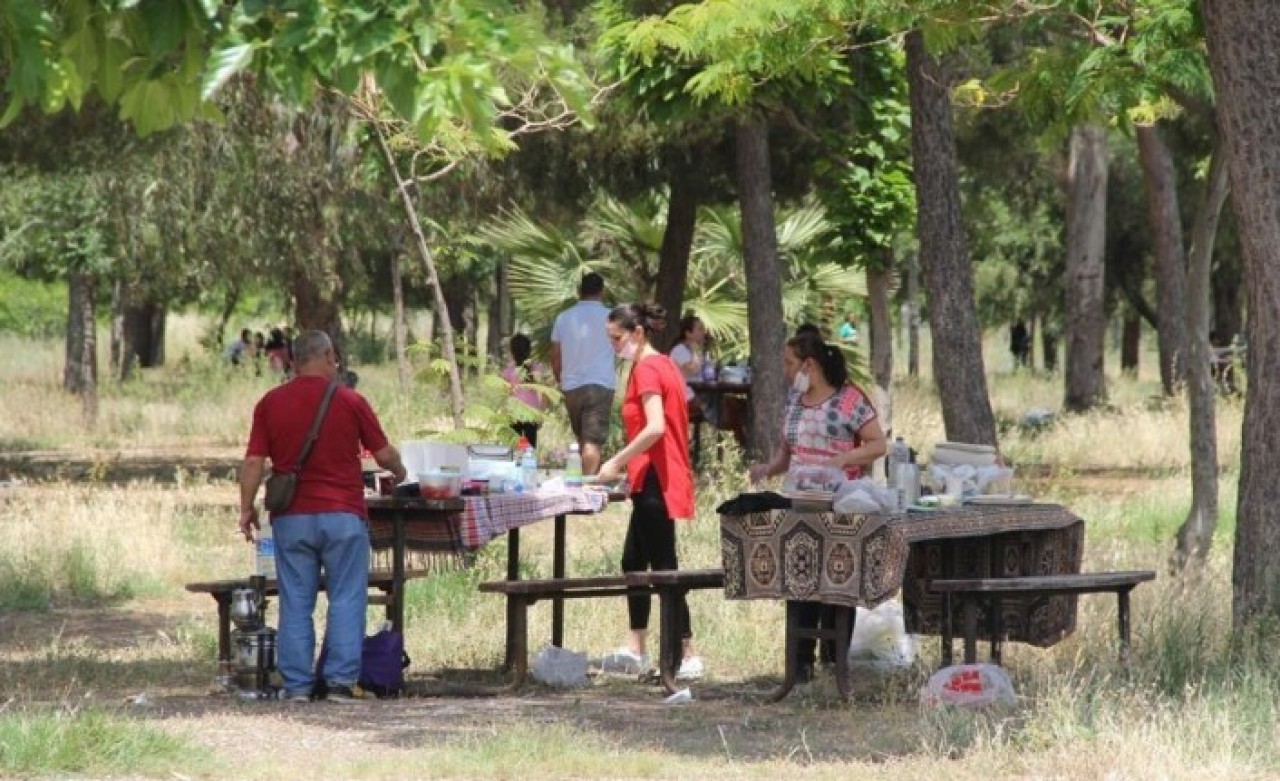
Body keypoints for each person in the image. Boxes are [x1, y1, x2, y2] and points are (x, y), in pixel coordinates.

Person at [238, 330, 407, 703]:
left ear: (294, 360)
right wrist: (402, 472)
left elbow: (253, 462)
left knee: (295, 600)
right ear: (329, 356)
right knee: (347, 597)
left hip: (291, 519)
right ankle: (338, 684)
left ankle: (297, 686)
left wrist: (246, 507)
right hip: (343, 517)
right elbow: (383, 455)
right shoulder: (351, 401)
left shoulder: (270, 403)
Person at [748, 330, 888, 680]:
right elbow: (787, 452)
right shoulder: (795, 401)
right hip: (799, 503)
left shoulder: (849, 400)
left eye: (789, 362)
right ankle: (800, 664)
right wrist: (768, 469)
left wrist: (843, 459)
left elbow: (877, 444)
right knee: (799, 578)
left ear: (809, 364)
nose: (785, 369)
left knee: (838, 581)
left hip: (838, 507)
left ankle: (834, 659)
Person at [595, 303, 702, 681]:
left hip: (658, 478)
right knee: (633, 562)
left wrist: (615, 463)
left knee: (665, 568)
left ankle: (687, 654)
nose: (614, 346)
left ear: (638, 333)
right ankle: (636, 646)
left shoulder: (648, 368)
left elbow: (655, 427)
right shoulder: (665, 365)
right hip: (651, 477)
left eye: (617, 338)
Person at [550, 272, 616, 475]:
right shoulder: (612, 317)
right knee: (592, 442)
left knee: (582, 440)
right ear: (602, 292)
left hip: (571, 386)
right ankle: (586, 487)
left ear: (579, 291)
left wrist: (560, 379)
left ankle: (580, 482)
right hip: (600, 384)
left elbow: (555, 355)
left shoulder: (563, 317)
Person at [501, 332, 546, 448]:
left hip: (514, 414)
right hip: (531, 415)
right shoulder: (537, 368)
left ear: (512, 351)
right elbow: (544, 393)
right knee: (529, 451)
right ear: (529, 350)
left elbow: (507, 396)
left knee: (515, 448)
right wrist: (541, 414)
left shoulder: (508, 371)